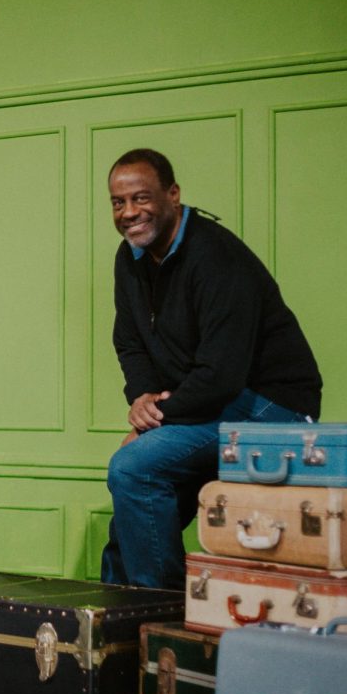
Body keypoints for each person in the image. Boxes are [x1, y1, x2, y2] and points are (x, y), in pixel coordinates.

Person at [103, 148, 322, 590]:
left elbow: (222, 375)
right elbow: (129, 341)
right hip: (211, 402)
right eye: (117, 202)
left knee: (133, 468)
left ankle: (158, 615)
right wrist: (142, 399)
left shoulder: (216, 257)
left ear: (173, 194)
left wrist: (153, 425)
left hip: (273, 405)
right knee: (131, 514)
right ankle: (118, 636)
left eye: (141, 199)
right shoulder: (130, 259)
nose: (129, 213)